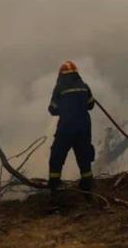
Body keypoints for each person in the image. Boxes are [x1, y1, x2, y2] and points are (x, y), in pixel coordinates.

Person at [47, 60, 96, 202]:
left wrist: (65, 108)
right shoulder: (84, 86)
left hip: (66, 129)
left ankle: (55, 189)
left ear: (61, 75)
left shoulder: (59, 88)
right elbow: (91, 105)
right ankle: (87, 189)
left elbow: (52, 109)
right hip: (83, 129)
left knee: (57, 157)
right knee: (84, 158)